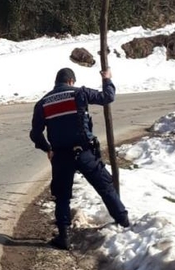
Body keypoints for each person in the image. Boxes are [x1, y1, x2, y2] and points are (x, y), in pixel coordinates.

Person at [29, 67, 129, 250]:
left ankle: (64, 237)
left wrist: (47, 149)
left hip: (60, 155)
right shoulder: (80, 93)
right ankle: (123, 221)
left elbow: (35, 134)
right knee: (105, 186)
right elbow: (107, 97)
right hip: (84, 152)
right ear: (71, 81)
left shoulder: (43, 103)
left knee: (62, 196)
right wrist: (107, 79)